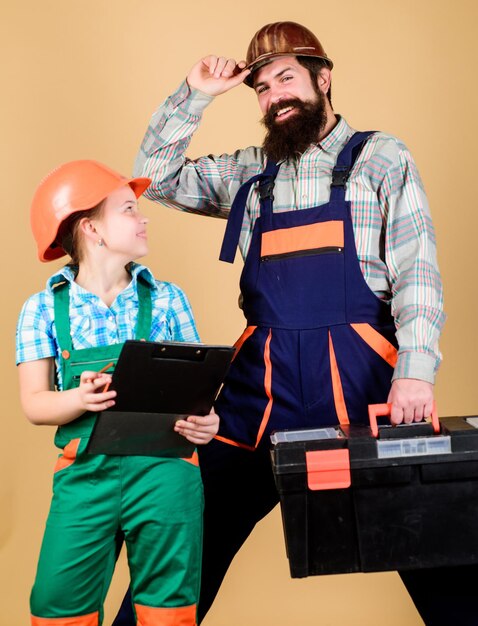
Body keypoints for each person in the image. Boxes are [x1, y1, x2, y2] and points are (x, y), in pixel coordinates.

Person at [113, 21, 478, 626]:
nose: (273, 95)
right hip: (258, 402)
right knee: (180, 559)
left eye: (286, 78)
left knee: (440, 553)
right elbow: (156, 177)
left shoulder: (381, 158)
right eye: (260, 87)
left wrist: (415, 375)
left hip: (364, 402)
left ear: (323, 79)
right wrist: (196, 92)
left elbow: (418, 272)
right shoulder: (251, 173)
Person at [16, 159, 219, 626]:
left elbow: (199, 395)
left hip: (166, 474)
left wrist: (209, 422)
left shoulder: (169, 299)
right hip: (85, 477)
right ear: (92, 229)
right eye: (129, 209)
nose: (144, 217)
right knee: (58, 605)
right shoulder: (42, 309)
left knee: (169, 610)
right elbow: (34, 403)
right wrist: (79, 400)